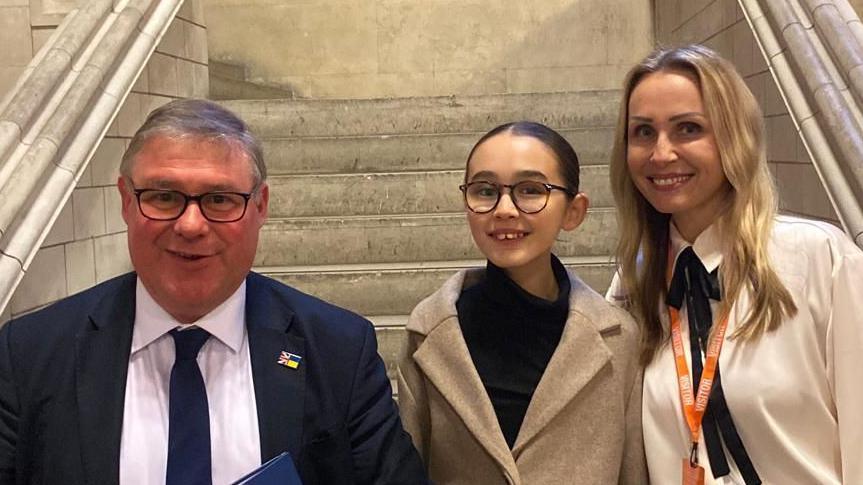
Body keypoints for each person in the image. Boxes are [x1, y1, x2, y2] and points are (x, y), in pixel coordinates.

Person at [0, 99, 428, 485]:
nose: (190, 225)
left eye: (220, 199)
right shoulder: (29, 355)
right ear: (127, 202)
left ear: (260, 207)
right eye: (164, 196)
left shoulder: (337, 350)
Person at [606, 44, 863, 484]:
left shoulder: (820, 259)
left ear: (733, 137)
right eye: (643, 132)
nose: (661, 153)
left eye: (688, 128)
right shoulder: (634, 285)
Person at [397, 121, 646, 484]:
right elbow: (410, 468)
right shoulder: (430, 331)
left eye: (531, 190)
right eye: (485, 190)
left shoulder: (618, 337)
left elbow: (632, 473)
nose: (505, 209)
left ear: (573, 211)